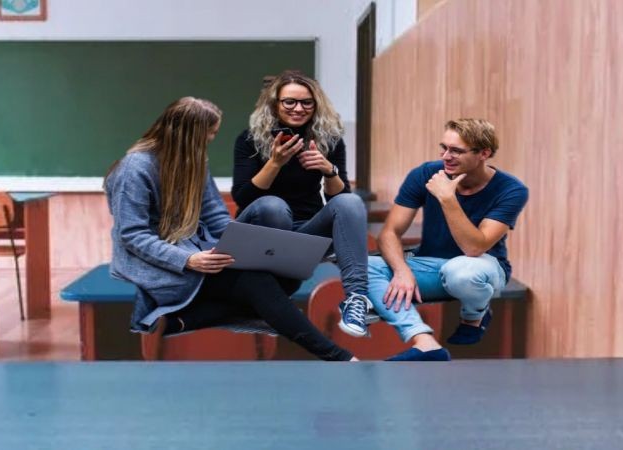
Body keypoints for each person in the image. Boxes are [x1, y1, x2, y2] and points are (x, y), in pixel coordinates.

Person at [104, 96, 355, 361]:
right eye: (210, 133)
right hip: (159, 262)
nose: (211, 139)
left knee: (286, 277)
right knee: (258, 284)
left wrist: (243, 247)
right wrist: (188, 260)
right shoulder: (135, 169)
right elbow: (132, 235)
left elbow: (215, 217)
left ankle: (182, 320)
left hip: (196, 251)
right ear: (188, 134)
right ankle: (338, 356)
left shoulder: (194, 161)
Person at [368, 118, 528, 361]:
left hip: (482, 268)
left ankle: (474, 315)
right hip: (431, 265)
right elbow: (389, 233)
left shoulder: (511, 190)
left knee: (461, 272)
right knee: (363, 266)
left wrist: (447, 198)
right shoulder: (425, 174)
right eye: (443, 148)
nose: (446, 156)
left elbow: (474, 248)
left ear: (484, 153)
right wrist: (401, 271)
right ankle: (424, 342)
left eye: (456, 151)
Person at [231, 70, 373, 338]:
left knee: (351, 202)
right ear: (275, 104)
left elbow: (339, 201)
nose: (298, 109)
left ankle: (356, 299)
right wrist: (275, 163)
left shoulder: (328, 140)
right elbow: (243, 197)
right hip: (260, 234)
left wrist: (328, 170)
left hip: (305, 235)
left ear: (316, 105)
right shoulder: (249, 140)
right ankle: (272, 297)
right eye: (290, 102)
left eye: (306, 102)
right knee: (273, 206)